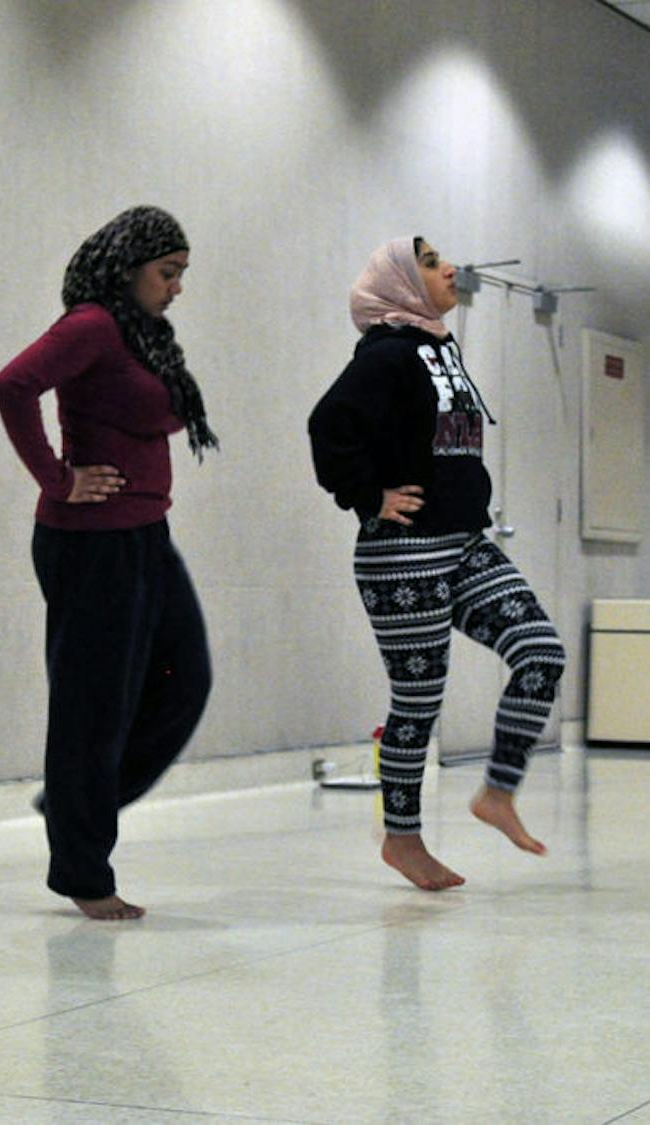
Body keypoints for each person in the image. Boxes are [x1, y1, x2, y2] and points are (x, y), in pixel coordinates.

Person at [308, 237, 565, 891]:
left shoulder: (436, 346)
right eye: (429, 262)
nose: (448, 268)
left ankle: (497, 791)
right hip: (403, 553)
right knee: (417, 701)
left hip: (465, 540)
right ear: (400, 280)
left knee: (540, 650)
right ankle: (403, 840)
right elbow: (327, 423)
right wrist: (368, 495)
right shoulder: (389, 353)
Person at [0, 206, 215, 922]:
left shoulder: (146, 336)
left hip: (146, 533)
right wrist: (57, 478)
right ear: (128, 268)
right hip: (90, 542)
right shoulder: (91, 324)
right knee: (93, 707)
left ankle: (75, 799)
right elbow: (12, 385)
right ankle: (84, 869)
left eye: (181, 274)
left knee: (185, 679)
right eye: (167, 273)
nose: (176, 288)